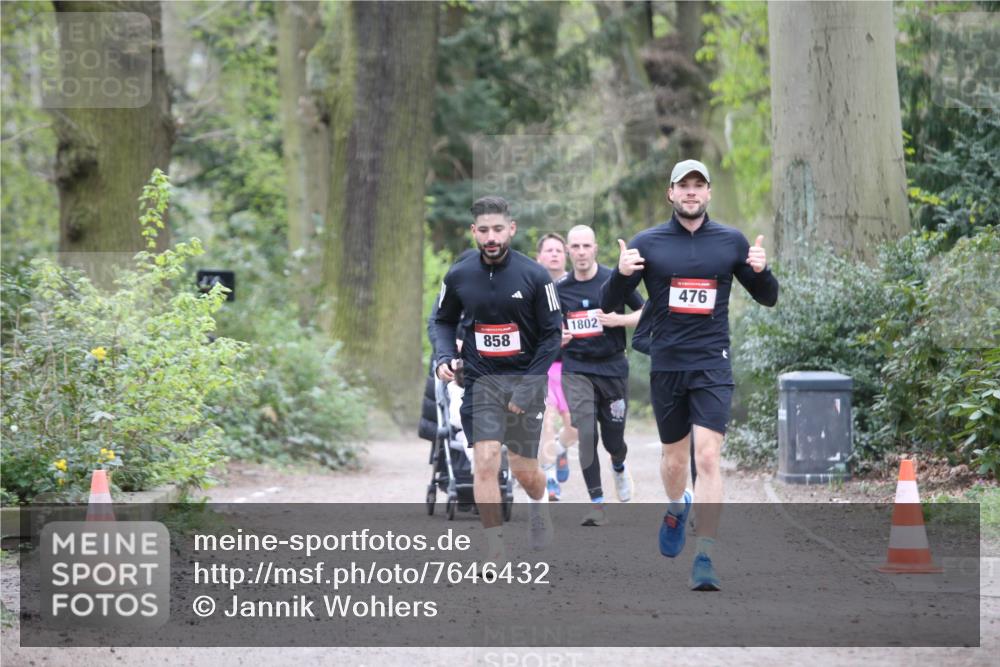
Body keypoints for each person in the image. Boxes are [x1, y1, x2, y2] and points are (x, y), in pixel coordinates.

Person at [602, 159, 779, 591]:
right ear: (671, 193)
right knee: (675, 460)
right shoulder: (649, 243)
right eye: (684, 186)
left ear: (709, 193)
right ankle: (677, 505)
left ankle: (705, 555)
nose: (692, 193)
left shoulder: (730, 242)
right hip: (667, 363)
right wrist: (621, 274)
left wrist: (760, 269)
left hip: (712, 362)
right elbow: (610, 300)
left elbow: (768, 298)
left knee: (707, 457)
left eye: (699, 186)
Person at [435, 196, 563, 563]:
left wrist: (528, 385)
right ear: (474, 232)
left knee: (525, 471)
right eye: (484, 230)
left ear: (512, 229)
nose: (491, 237)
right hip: (480, 380)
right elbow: (443, 320)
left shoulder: (535, 276)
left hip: (524, 378)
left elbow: (552, 334)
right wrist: (446, 356)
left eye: (498, 229)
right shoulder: (460, 274)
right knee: (486, 460)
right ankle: (494, 548)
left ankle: (539, 504)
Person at [557, 225, 644, 526]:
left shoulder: (613, 279)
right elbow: (546, 329)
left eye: (586, 246)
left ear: (595, 248)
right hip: (577, 369)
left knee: (612, 440)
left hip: (612, 368)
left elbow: (647, 311)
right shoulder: (559, 290)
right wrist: (559, 337)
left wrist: (619, 319)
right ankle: (596, 503)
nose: (581, 252)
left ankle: (618, 464)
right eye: (575, 247)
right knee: (586, 432)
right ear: (569, 251)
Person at [535, 233, 578, 501]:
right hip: (544, 367)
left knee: (577, 427)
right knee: (546, 422)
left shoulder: (577, 285)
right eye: (548, 250)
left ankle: (561, 451)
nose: (554, 254)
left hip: (573, 365)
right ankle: (549, 479)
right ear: (539, 256)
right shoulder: (531, 286)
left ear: (567, 255)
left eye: (559, 250)